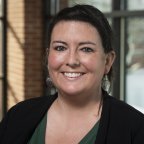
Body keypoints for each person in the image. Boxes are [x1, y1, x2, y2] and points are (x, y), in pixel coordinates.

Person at [0, 4, 144, 144]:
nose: (72, 60)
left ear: (107, 61)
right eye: (60, 47)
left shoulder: (135, 129)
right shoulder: (17, 116)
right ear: (48, 56)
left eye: (86, 49)